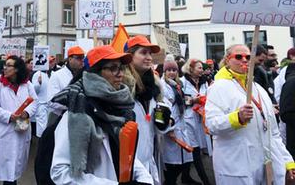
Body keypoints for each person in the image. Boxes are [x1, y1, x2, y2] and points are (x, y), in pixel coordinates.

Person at [50, 45, 153, 184]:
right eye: (112, 68)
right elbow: (60, 172)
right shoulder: (76, 115)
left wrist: (144, 179)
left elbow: (127, 155)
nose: (120, 74)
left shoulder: (122, 109)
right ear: (95, 74)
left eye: (121, 68)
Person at [206, 44, 295, 184]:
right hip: (236, 166)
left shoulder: (258, 88)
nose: (244, 60)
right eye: (238, 56)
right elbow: (211, 125)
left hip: (263, 166)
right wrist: (237, 118)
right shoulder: (218, 88)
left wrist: (287, 161)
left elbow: (273, 132)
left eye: (248, 57)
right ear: (227, 60)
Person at [123, 35, 171, 185]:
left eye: (150, 53)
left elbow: (157, 123)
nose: (149, 57)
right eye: (143, 53)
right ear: (130, 56)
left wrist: (163, 122)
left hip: (149, 156)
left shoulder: (155, 87)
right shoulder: (121, 86)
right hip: (127, 161)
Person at [0, 56, 38, 185]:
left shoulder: (27, 84)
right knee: (7, 170)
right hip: (4, 131)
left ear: (17, 69)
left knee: (16, 166)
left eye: (9, 65)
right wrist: (9, 116)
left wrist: (27, 112)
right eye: (5, 65)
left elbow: (35, 102)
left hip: (22, 128)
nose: (5, 68)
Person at [160, 58, 194, 185]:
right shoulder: (163, 86)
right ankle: (169, 182)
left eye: (174, 70)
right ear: (164, 71)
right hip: (171, 127)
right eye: (168, 70)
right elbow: (164, 107)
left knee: (184, 160)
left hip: (181, 124)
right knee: (171, 163)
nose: (171, 72)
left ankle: (170, 181)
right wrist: (169, 128)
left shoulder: (177, 85)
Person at [180, 59, 212, 185]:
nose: (202, 70)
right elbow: (180, 100)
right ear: (191, 69)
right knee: (194, 149)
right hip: (188, 120)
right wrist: (193, 101)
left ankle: (185, 177)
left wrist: (204, 100)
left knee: (195, 149)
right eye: (199, 68)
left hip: (201, 119)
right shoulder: (183, 82)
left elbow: (209, 96)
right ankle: (206, 181)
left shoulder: (204, 82)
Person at [47, 46, 85, 116]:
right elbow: (50, 101)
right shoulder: (57, 75)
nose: (82, 60)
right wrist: (72, 106)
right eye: (79, 58)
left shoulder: (84, 76)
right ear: (70, 59)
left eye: (83, 58)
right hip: (61, 119)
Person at [32, 68, 50, 137]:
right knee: (41, 126)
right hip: (41, 104)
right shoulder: (37, 74)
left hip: (49, 104)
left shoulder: (50, 74)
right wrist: (38, 84)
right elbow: (34, 91)